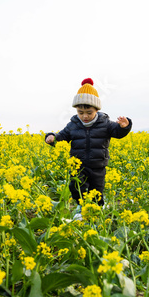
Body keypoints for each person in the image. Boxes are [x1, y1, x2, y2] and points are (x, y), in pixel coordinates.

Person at [45, 78, 132, 218]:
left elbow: (118, 132)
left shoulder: (105, 123)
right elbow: (62, 136)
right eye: (80, 112)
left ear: (97, 110)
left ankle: (98, 209)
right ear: (76, 111)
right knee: (77, 187)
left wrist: (124, 126)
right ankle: (81, 208)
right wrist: (51, 138)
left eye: (89, 112)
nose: (84, 116)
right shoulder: (73, 124)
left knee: (97, 188)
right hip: (77, 165)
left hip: (98, 165)